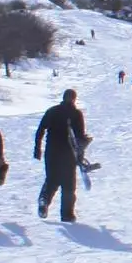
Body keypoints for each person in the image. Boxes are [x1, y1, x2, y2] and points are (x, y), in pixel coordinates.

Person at [34, 89, 88, 222]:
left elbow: (40, 130)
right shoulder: (76, 114)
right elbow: (79, 137)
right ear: (74, 99)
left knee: (52, 179)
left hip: (51, 151)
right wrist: (81, 154)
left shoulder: (52, 111)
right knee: (68, 184)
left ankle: (44, 200)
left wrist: (37, 148)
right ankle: (67, 215)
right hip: (68, 153)